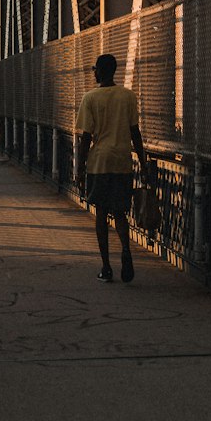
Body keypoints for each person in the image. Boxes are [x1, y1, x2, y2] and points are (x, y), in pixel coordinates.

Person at [74, 53, 148, 283]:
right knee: (120, 213)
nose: (93, 72)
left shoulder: (90, 98)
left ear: (100, 71)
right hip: (121, 161)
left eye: (95, 69)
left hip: (99, 163)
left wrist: (79, 168)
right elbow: (135, 133)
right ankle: (126, 250)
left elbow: (86, 137)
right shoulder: (128, 96)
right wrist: (144, 163)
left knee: (101, 214)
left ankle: (106, 267)